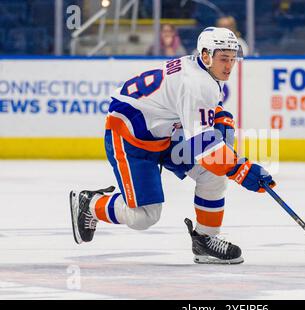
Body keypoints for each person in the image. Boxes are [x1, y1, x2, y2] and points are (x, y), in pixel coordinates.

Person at [70, 27, 275, 265]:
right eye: (223, 59)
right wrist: (242, 170)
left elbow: (193, 113)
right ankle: (90, 204)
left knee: (213, 176)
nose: (229, 66)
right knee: (144, 217)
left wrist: (218, 117)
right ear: (206, 55)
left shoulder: (201, 70)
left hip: (165, 132)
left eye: (232, 59)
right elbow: (204, 147)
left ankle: (205, 240)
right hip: (131, 134)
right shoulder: (198, 82)